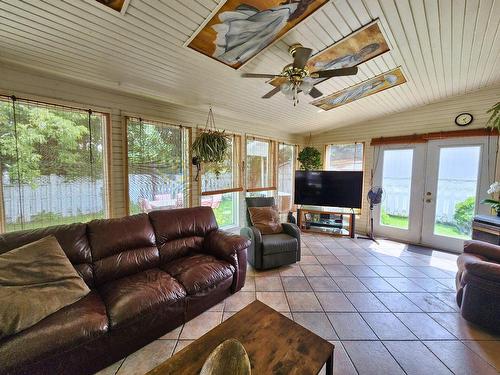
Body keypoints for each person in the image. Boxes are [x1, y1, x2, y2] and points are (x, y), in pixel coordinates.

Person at [212, 0, 316, 65]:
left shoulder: (294, 7)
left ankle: (236, 47)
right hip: (272, 19)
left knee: (254, 32)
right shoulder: (292, 5)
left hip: (274, 19)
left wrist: (267, 17)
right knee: (256, 30)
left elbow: (276, 15)